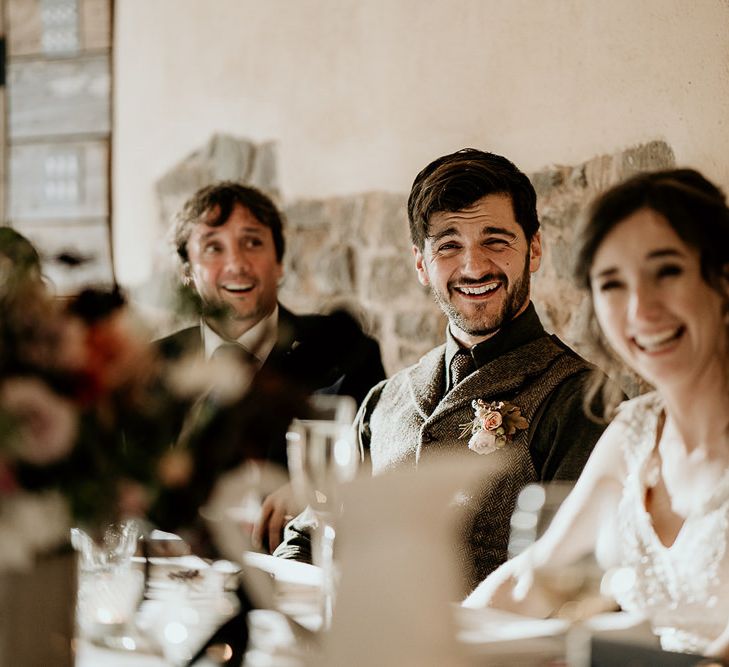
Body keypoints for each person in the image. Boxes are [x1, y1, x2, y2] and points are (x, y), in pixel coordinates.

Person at [277, 149, 608, 590]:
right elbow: (309, 538)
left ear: (534, 248)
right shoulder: (384, 400)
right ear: (421, 263)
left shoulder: (580, 400)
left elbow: (570, 583)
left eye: (495, 240)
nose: (473, 267)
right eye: (449, 246)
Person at [464, 168, 729, 660]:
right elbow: (533, 579)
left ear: (722, 279)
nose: (640, 309)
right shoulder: (634, 430)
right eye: (612, 284)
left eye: (667, 271)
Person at [155, 182, 386, 551]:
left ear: (279, 263)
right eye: (213, 247)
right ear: (187, 271)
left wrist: (313, 491)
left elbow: (378, 465)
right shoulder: (153, 366)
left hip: (302, 562)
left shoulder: (345, 351)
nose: (236, 264)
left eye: (253, 242)